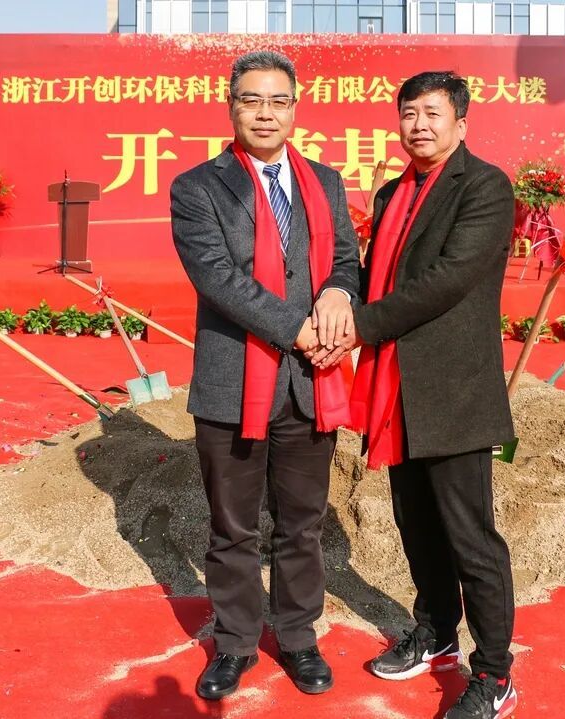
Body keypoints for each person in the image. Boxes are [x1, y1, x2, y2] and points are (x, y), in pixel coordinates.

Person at [308, 71, 518, 719]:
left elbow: (448, 280)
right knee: (417, 524)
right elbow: (373, 274)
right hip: (396, 385)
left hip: (452, 389)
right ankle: (436, 632)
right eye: (408, 113)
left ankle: (495, 673)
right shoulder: (394, 191)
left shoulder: (483, 186)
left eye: (432, 113)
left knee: (470, 537)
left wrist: (357, 328)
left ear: (461, 122)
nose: (418, 125)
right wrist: (332, 297)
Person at [169, 50, 358, 700]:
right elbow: (217, 278)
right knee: (233, 527)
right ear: (232, 107)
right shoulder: (197, 187)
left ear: (295, 109)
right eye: (252, 100)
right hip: (232, 385)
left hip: (309, 383)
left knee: (303, 524)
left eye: (279, 101)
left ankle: (299, 637)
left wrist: (338, 293)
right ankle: (236, 642)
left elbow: (345, 259)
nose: (266, 113)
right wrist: (299, 328)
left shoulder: (325, 182)